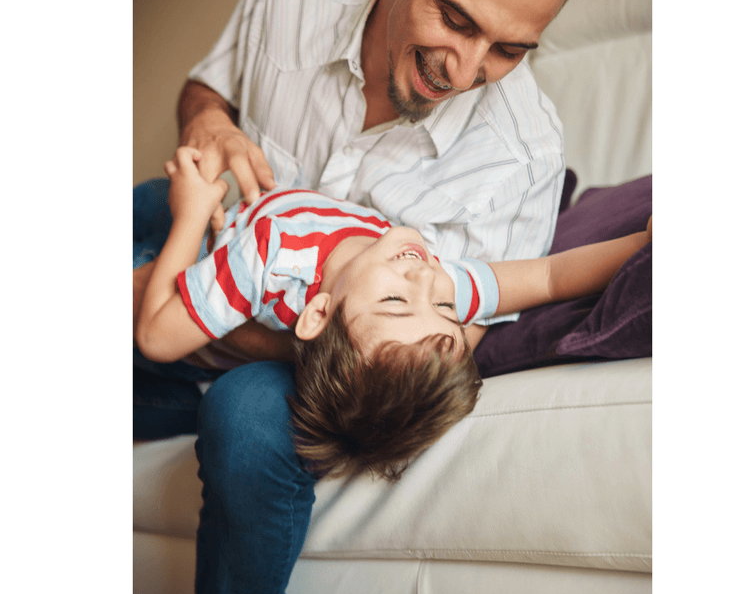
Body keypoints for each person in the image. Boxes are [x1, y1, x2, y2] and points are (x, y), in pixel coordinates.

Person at [134, 0, 598, 594]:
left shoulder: (524, 154)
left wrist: (211, 318)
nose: (468, 69)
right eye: (456, 20)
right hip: (216, 254)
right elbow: (206, 88)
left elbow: (434, 353)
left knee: (248, 421)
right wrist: (210, 121)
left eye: (511, 49)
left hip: (308, 358)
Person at [136, 145, 648, 483]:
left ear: (316, 312)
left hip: (192, 268)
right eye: (448, 308)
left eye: (395, 302)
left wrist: (192, 212)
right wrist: (641, 246)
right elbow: (549, 278)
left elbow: (157, 334)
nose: (426, 278)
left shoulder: (273, 261)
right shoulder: (430, 289)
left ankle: (168, 397)